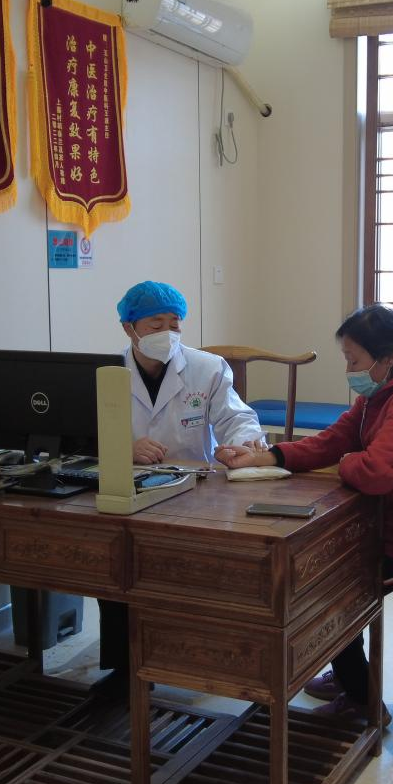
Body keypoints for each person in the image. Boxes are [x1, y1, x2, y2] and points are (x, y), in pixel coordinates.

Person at [219, 303, 393, 723]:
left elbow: (373, 473)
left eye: (354, 360)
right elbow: (333, 440)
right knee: (323, 573)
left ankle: (363, 701)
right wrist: (267, 456)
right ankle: (347, 673)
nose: (349, 370)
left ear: (387, 357)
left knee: (327, 592)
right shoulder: (384, 391)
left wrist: (348, 462)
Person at [96, 280, 267, 690]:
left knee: (185, 570)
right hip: (130, 488)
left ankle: (189, 658)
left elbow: (237, 417)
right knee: (112, 563)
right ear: (129, 328)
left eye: (174, 324)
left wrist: (244, 442)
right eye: (155, 324)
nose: (167, 333)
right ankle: (125, 671)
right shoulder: (106, 374)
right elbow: (84, 435)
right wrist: (124, 447)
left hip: (193, 491)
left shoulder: (206, 368)